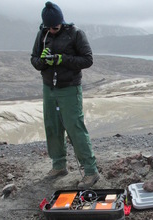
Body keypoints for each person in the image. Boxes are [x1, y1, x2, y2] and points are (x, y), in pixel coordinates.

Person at [30, 1, 99, 188]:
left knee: (74, 127)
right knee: (52, 126)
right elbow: (34, 60)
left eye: (55, 26)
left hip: (69, 88)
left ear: (61, 22)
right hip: (49, 88)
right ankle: (58, 165)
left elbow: (88, 59)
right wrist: (43, 60)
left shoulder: (75, 34)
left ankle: (91, 171)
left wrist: (63, 59)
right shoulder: (42, 35)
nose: (52, 30)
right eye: (49, 27)